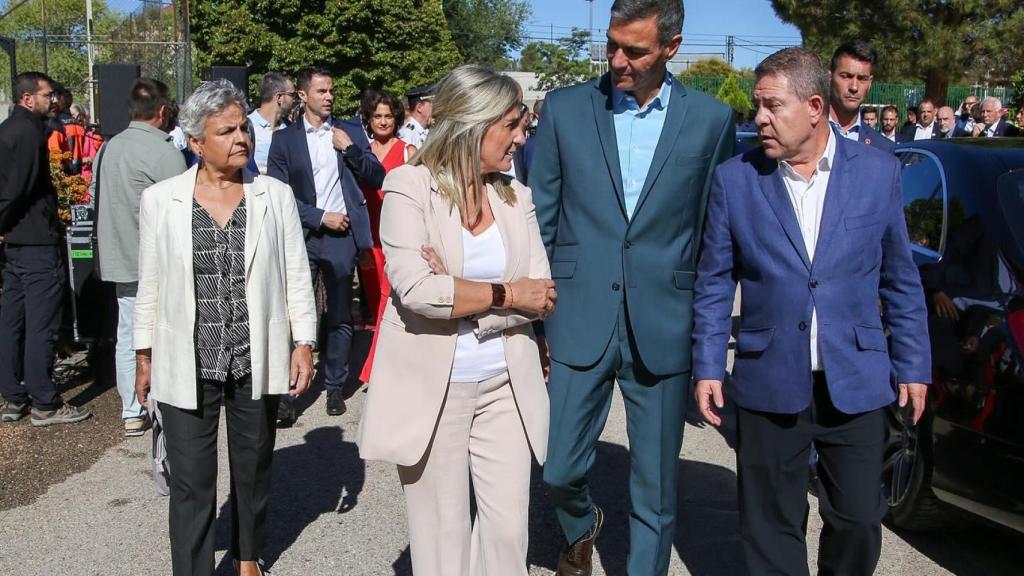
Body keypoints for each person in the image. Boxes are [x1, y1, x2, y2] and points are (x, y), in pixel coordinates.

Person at [691, 47, 931, 576]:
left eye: (772, 106)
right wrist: (709, 363)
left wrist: (913, 364)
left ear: (815, 106)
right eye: (758, 106)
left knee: (859, 520)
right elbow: (713, 282)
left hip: (857, 380)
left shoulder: (877, 172)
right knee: (768, 522)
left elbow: (899, 278)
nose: (759, 119)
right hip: (769, 379)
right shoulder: (737, 180)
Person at [529, 1, 735, 574]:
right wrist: (535, 313)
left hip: (664, 319)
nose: (617, 60)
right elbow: (540, 220)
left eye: (635, 50)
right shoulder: (567, 109)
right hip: (577, 313)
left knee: (657, 490)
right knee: (558, 468)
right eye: (612, 45)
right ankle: (580, 524)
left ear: (671, 47)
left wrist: (707, 338)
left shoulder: (711, 121)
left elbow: (712, 233)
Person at [357, 63, 555, 576]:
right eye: (511, 123)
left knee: (509, 534)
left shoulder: (516, 195)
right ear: (474, 121)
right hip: (436, 387)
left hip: (506, 384)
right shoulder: (408, 186)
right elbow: (420, 291)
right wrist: (507, 295)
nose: (521, 135)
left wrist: (466, 295)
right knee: (442, 538)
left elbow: (543, 295)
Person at [133, 79, 317, 576]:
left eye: (243, 128)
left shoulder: (273, 196)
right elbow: (148, 282)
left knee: (253, 468)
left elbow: (296, 273)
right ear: (196, 143)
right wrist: (144, 354)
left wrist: (303, 343)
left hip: (252, 357)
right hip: (185, 360)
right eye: (226, 131)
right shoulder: (161, 200)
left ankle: (247, 556)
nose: (242, 138)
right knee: (192, 481)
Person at [267, 66, 383, 418]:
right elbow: (278, 195)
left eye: (331, 90)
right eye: (321, 91)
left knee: (339, 312)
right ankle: (289, 391)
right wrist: (319, 217)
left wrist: (350, 151)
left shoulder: (348, 132)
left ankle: (334, 386)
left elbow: (376, 174)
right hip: (301, 235)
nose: (329, 97)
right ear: (303, 96)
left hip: (340, 238)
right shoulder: (284, 140)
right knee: (292, 312)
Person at [94, 78, 187, 437]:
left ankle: (132, 409)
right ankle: (163, 400)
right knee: (165, 330)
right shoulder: (164, 152)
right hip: (158, 260)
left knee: (130, 333)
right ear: (162, 111)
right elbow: (184, 209)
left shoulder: (108, 148)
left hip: (120, 256)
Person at [0, 72, 93, 426]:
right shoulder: (25, 133)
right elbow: (18, 189)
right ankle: (44, 401)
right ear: (28, 98)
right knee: (41, 322)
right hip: (35, 239)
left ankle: (13, 394)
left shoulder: (11, 130)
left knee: (13, 318)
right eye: (47, 94)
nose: (52, 100)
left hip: (18, 241)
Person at [356, 89, 417, 384]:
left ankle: (374, 369)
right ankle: (385, 363)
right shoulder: (362, 149)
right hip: (366, 235)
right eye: (377, 116)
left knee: (387, 297)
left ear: (397, 118)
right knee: (373, 299)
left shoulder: (408, 152)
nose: (382, 121)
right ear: (369, 118)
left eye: (388, 116)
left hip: (394, 234)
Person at [827, 40, 893, 153]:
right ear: (830, 76)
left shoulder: (882, 148)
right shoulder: (804, 134)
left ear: (870, 83)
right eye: (846, 76)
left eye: (862, 79)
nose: (854, 87)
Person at [248, 72, 296, 174]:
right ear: (279, 97)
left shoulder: (290, 128)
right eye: (292, 95)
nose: (295, 100)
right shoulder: (246, 127)